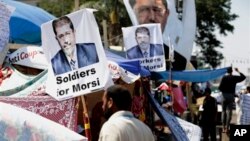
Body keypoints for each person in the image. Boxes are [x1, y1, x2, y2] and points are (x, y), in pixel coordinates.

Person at [129, 0, 187, 70]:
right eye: (144, 10)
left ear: (166, 14)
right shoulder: (119, 58)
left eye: (158, 10)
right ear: (135, 13)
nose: (152, 18)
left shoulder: (180, 63)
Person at [219, 67, 246, 132]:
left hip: (224, 96)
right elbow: (243, 77)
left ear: (227, 72)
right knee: (229, 112)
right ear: (232, 71)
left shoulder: (224, 77)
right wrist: (238, 71)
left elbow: (220, 88)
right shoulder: (234, 77)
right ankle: (227, 128)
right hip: (231, 96)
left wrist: (224, 91)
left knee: (223, 112)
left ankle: (223, 127)